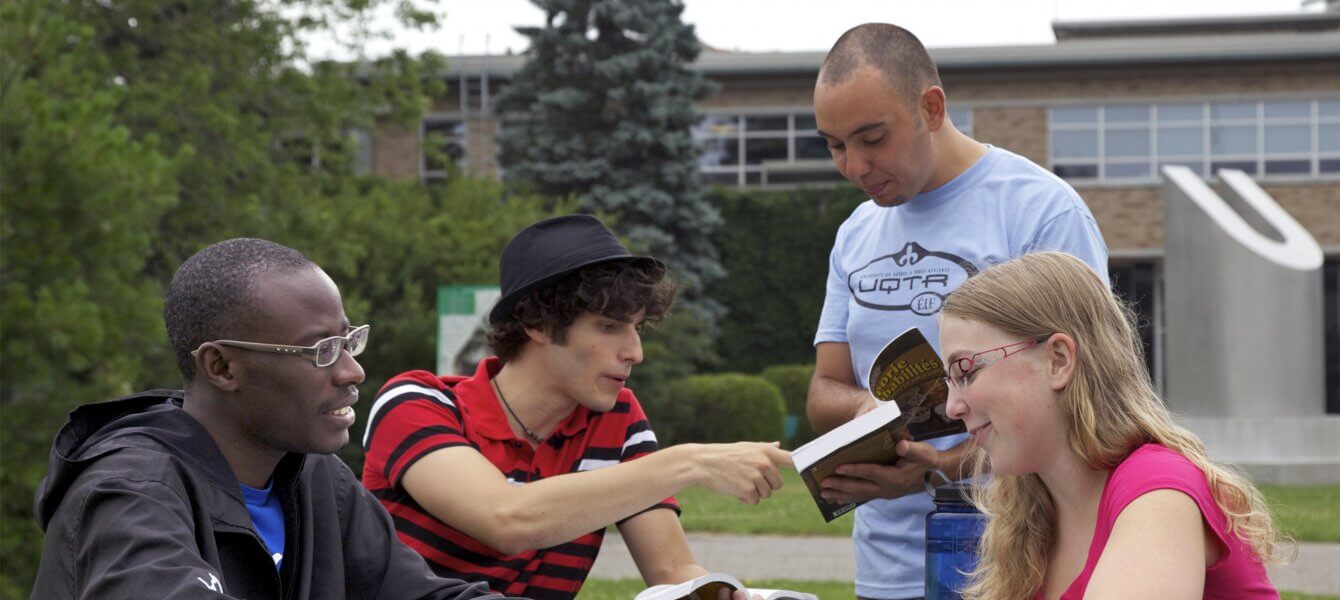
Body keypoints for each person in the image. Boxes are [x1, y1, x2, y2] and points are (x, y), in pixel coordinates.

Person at [805, 23, 1110, 600]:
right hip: (885, 572)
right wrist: (871, 412)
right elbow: (824, 391)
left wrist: (942, 468)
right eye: (835, 144)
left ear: (932, 107)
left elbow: (1089, 398)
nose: (854, 166)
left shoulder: (1039, 210)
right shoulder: (854, 234)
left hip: (1021, 559)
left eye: (872, 137)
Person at [31, 238, 508, 600]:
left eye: (348, 341)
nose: (352, 370)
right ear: (221, 367)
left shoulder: (314, 477)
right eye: (321, 350)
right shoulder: (130, 493)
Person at [361, 214, 793, 599]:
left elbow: (672, 570)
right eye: (610, 327)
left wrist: (715, 592)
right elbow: (505, 519)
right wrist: (691, 462)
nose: (635, 352)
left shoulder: (617, 419)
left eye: (637, 328)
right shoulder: (417, 401)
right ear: (538, 324)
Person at [939, 251, 1288, 599]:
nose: (953, 407)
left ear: (1057, 361)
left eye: (965, 372)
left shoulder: (1157, 490)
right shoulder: (1031, 514)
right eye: (948, 381)